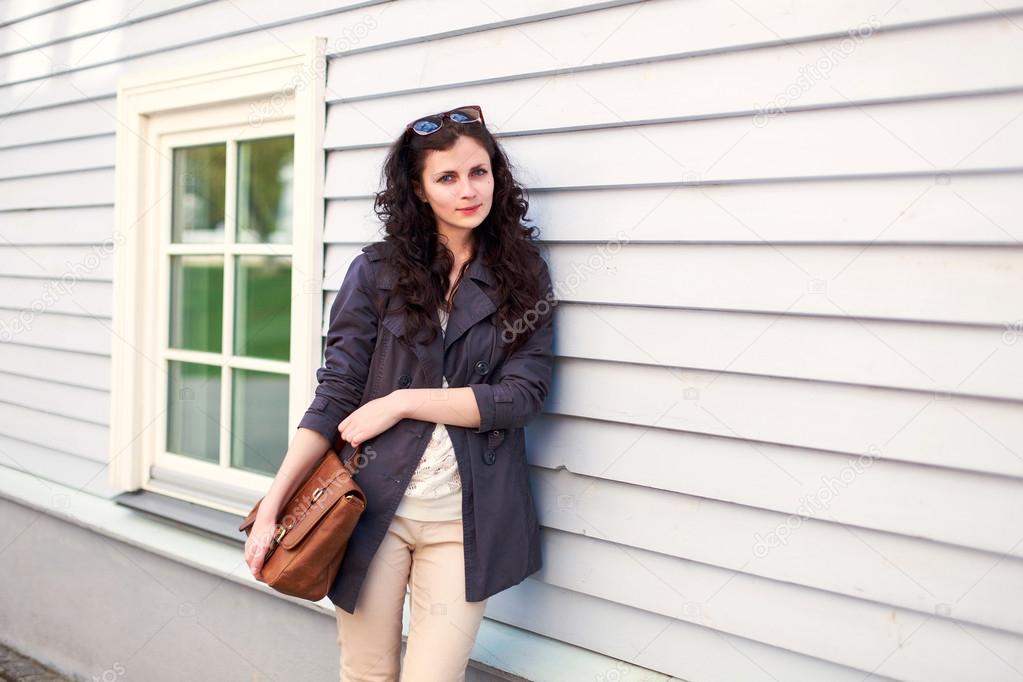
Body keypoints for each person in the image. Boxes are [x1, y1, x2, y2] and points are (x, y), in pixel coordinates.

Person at [243, 105, 556, 681]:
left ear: (497, 176)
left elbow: (521, 397)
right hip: (368, 507)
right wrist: (272, 506)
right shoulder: (376, 271)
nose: (468, 190)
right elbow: (335, 393)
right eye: (447, 177)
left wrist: (402, 402)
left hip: (468, 516)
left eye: (479, 172)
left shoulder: (523, 273)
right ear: (418, 189)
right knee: (367, 672)